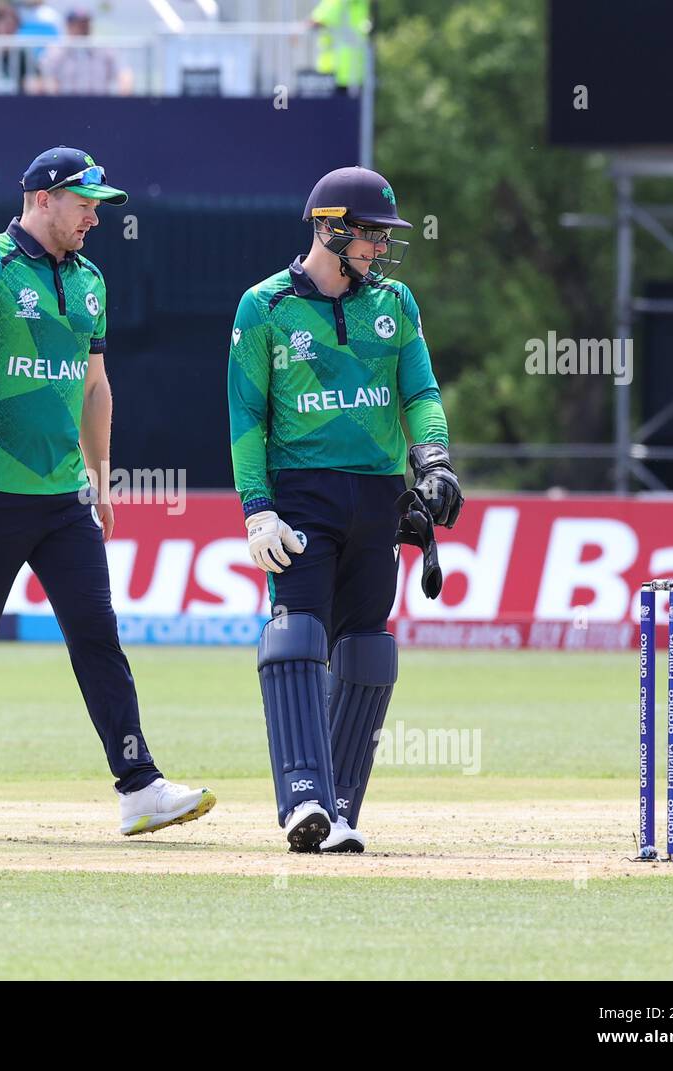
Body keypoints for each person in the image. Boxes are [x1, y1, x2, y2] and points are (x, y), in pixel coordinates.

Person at [0, 146, 216, 840]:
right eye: (85, 204)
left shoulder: (91, 281)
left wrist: (100, 477)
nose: (94, 219)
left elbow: (95, 386)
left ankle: (139, 787)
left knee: (97, 633)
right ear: (42, 197)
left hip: (64, 497)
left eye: (99, 208)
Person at [227, 166, 462, 853]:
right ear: (330, 229)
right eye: (369, 236)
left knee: (367, 647)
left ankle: (340, 807)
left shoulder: (395, 302)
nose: (379, 249)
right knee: (298, 635)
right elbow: (245, 415)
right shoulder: (264, 307)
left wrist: (435, 459)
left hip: (378, 496)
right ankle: (303, 798)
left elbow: (419, 391)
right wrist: (256, 508)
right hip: (300, 493)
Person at [38, 8, 132, 96]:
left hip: (100, 105)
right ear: (68, 26)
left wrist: (124, 98)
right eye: (77, 24)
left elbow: (123, 73)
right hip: (65, 105)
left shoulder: (104, 48)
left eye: (85, 24)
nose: (82, 29)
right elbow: (46, 78)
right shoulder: (55, 50)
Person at [309, 0, 369, 95]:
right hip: (357, 72)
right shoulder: (363, 3)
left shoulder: (336, 2)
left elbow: (316, 22)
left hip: (335, 71)